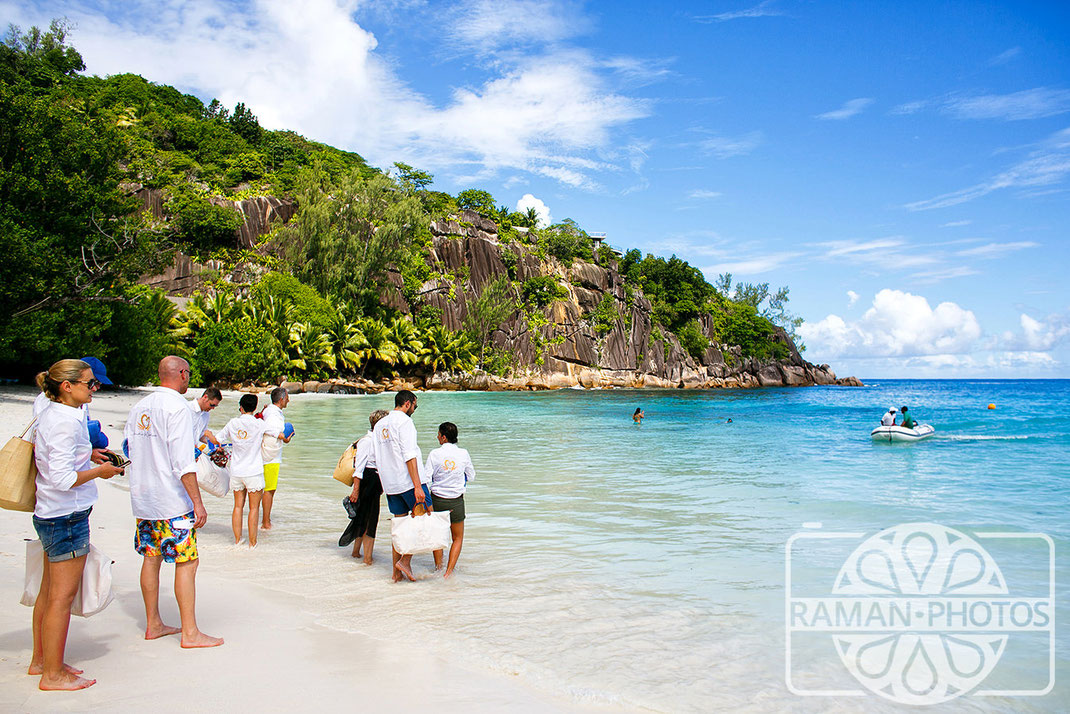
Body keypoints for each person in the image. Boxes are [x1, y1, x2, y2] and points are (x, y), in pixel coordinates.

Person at [29, 359, 124, 691]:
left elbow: (60, 462)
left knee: (49, 592)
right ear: (67, 387)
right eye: (89, 383)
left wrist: (90, 456)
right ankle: (52, 675)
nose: (93, 388)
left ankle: (42, 660)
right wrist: (100, 472)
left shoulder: (51, 411)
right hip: (65, 514)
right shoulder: (65, 421)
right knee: (61, 598)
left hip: (51, 511)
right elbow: (62, 478)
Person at [125, 356, 222, 649]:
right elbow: (183, 462)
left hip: (144, 498)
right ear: (182, 374)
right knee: (187, 562)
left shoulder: (140, 406)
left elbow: (130, 448)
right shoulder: (178, 408)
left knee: (151, 558)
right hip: (171, 500)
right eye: (188, 373)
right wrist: (198, 502)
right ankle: (190, 633)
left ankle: (153, 623)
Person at [373, 390, 430, 582]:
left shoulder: (380, 424)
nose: (415, 408)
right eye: (415, 405)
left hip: (391, 484)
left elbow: (378, 456)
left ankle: (396, 573)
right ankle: (405, 561)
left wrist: (384, 483)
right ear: (407, 403)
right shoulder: (405, 422)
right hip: (408, 481)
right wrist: (417, 486)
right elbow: (409, 455)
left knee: (399, 526)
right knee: (425, 518)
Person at [217, 394, 280, 548]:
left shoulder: (233, 423)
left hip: (237, 471)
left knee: (238, 506)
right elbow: (277, 433)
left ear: (241, 407)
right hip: (253, 471)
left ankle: (237, 541)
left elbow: (218, 439)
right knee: (254, 508)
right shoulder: (259, 424)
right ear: (255, 407)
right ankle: (252, 543)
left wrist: (205, 435)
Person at [427, 422, 476, 579]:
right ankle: (448, 573)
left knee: (437, 537)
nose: (437, 437)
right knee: (457, 538)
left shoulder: (434, 454)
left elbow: (426, 478)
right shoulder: (464, 453)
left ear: (443, 437)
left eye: (438, 435)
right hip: (456, 500)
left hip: (437, 499)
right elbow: (472, 475)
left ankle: (438, 567)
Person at [344, 409, 389, 564]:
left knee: (363, 517)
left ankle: (356, 552)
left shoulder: (376, 440)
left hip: (372, 481)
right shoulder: (367, 441)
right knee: (370, 519)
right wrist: (355, 490)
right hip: (368, 480)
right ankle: (368, 559)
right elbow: (359, 468)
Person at [259, 387, 293, 530]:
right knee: (270, 489)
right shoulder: (273, 413)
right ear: (281, 399)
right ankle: (266, 522)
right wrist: (282, 436)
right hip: (270, 455)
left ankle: (265, 519)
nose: (288, 400)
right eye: (287, 398)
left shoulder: (270, 411)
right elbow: (267, 428)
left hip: (269, 452)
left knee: (268, 488)